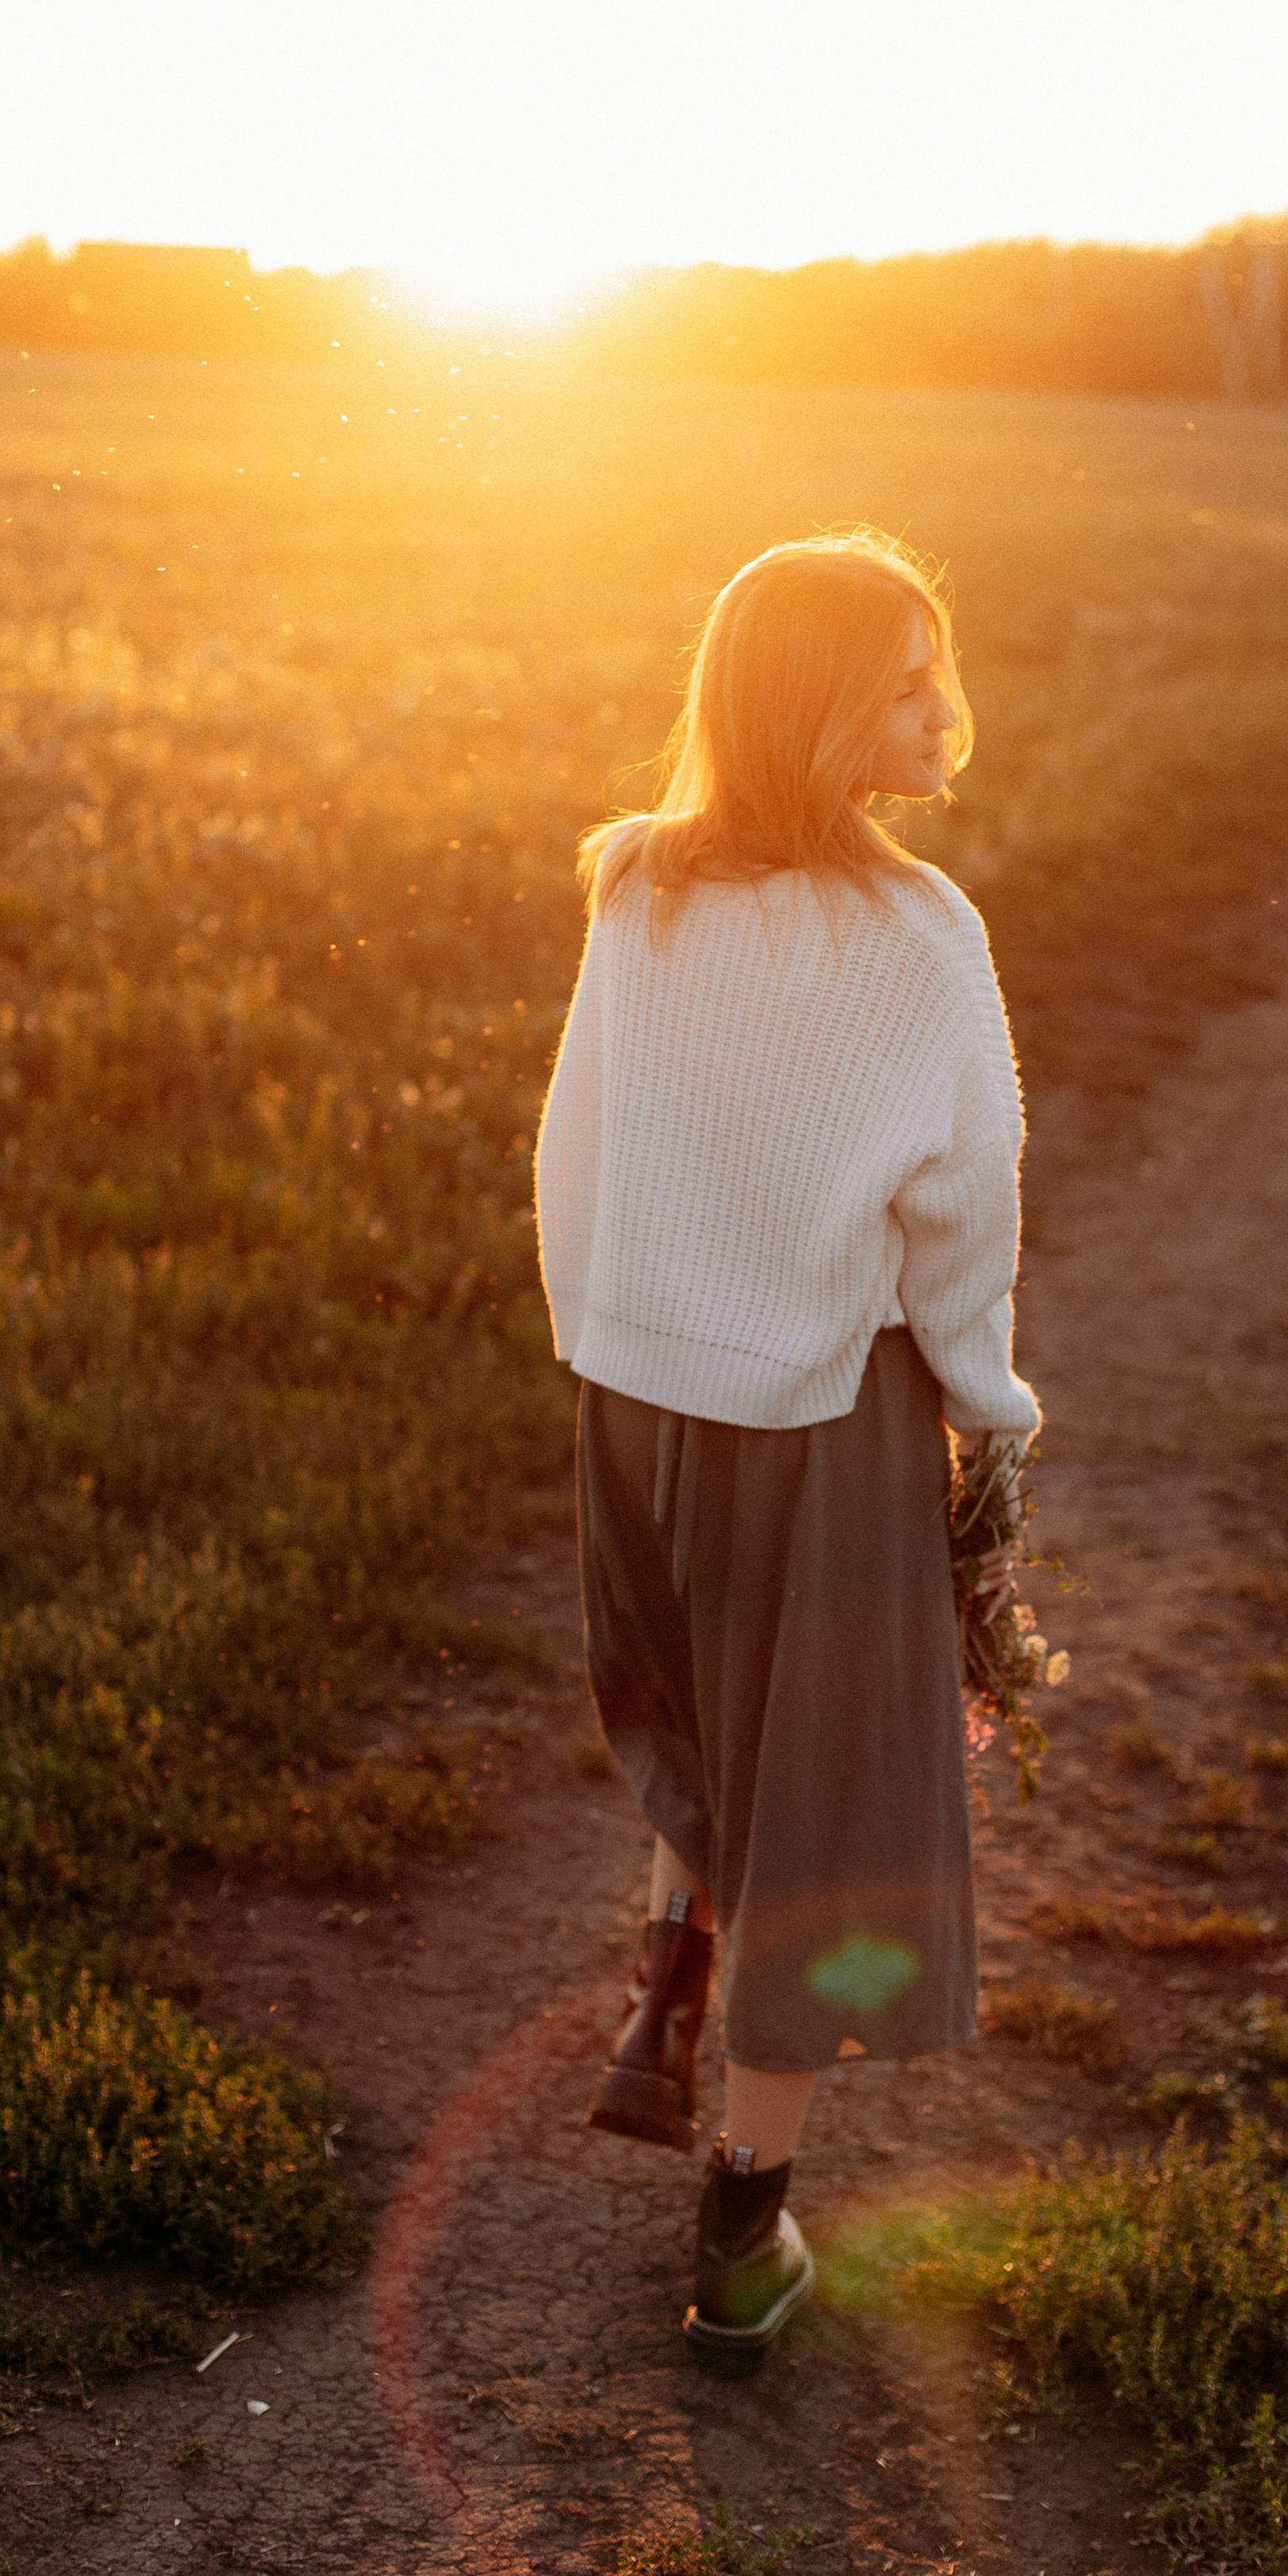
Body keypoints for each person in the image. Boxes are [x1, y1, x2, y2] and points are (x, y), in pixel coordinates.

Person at [533, 529, 1040, 2375]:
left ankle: (673, 1972)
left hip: (637, 1400)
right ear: (814, 711)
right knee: (823, 1809)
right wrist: (980, 1411)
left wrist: (607, 1341)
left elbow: (573, 1151)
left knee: (701, 1728)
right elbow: (955, 1217)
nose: (937, 708)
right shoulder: (919, 938)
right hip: (823, 1417)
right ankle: (742, 2228)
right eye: (899, 679)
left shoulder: (635, 887)